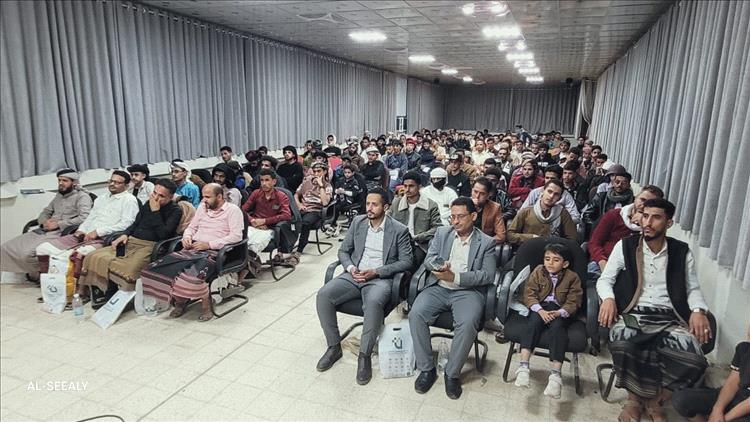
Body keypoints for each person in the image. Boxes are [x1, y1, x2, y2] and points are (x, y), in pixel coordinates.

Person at [597, 198, 712, 422]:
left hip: (669, 317)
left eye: (656, 217)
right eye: (645, 216)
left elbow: (692, 288)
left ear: (668, 223)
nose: (647, 222)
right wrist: (608, 299)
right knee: (623, 341)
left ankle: (655, 400)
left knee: (694, 358)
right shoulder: (626, 246)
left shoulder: (681, 251)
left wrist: (698, 310)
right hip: (634, 313)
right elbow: (605, 280)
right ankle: (633, 400)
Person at [315, 188, 413, 385]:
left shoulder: (399, 230)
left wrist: (377, 271)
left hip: (379, 278)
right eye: (368, 203)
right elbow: (343, 251)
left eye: (374, 204)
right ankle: (334, 347)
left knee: (374, 302)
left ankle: (364, 355)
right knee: (323, 295)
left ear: (385, 207)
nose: (369, 208)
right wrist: (351, 268)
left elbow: (406, 261)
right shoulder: (358, 223)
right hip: (354, 274)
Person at [409, 197, 497, 399]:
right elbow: (429, 259)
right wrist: (439, 266)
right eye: (452, 217)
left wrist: (455, 277)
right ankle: (426, 368)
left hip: (468, 291)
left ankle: (452, 373)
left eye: (460, 217)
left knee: (467, 323)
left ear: (473, 216)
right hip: (439, 287)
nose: (455, 221)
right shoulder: (442, 233)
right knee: (416, 314)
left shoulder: (486, 242)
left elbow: (488, 275)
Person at [141, 183, 244, 322]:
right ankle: (181, 300)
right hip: (192, 249)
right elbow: (191, 227)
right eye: (203, 196)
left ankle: (206, 305)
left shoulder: (233, 210)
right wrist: (187, 237)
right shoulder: (202, 207)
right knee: (153, 270)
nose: (204, 200)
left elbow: (236, 236)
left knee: (191, 279)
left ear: (219, 197)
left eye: (207, 197)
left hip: (215, 252)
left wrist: (209, 244)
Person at [77, 179, 182, 298]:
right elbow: (135, 224)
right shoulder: (148, 203)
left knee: (130, 270)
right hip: (131, 240)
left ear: (170, 197)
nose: (156, 198)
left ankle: (123, 297)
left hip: (150, 246)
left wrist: (155, 211)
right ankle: (99, 291)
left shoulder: (175, 210)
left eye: (161, 196)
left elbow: (163, 234)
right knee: (93, 256)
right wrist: (125, 234)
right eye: (154, 193)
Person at [515, 243, 583, 399]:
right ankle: (523, 367)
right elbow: (529, 293)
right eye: (547, 259)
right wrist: (540, 310)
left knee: (558, 330)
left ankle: (555, 375)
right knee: (532, 324)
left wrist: (560, 312)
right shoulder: (539, 271)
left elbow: (574, 301)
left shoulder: (572, 277)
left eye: (556, 260)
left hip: (559, 310)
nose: (550, 263)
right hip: (540, 307)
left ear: (565, 264)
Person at [0, 169, 92, 279]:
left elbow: (84, 218)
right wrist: (43, 222)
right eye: (59, 180)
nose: (61, 183)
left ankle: (42, 275)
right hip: (44, 230)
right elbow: (46, 212)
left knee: (27, 254)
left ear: (74, 182)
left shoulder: (82, 197)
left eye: (65, 180)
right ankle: (23, 275)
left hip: (62, 232)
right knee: (6, 248)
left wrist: (59, 224)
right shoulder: (59, 195)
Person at [35, 170, 139, 266]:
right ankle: (48, 278)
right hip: (84, 235)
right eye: (111, 181)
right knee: (43, 249)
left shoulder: (129, 200)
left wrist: (98, 232)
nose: (112, 184)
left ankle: (67, 280)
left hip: (104, 239)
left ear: (126, 185)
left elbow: (126, 224)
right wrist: (81, 230)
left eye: (117, 182)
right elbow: (90, 218)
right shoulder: (102, 198)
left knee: (72, 256)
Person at [671, 325, 750, 422]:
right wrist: (717, 409)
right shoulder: (744, 349)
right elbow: (732, 384)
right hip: (736, 397)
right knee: (681, 399)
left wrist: (724, 419)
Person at [588, 185, 664, 275]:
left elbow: (652, 254)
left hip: (632, 270)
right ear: (636, 198)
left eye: (650, 203)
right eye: (642, 200)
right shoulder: (614, 215)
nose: (643, 205)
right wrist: (603, 263)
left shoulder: (654, 227)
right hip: (603, 263)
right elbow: (594, 243)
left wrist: (643, 226)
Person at [388, 171, 442, 265]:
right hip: (398, 244)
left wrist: (419, 237)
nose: (407, 189)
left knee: (411, 263)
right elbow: (387, 222)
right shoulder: (396, 203)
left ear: (419, 187)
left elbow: (437, 228)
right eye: (405, 186)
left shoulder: (430, 205)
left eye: (411, 186)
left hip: (419, 245)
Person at [241, 169, 293, 263]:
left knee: (255, 244)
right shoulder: (256, 193)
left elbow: (287, 215)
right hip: (254, 225)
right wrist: (252, 220)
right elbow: (241, 210)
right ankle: (246, 264)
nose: (264, 183)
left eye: (267, 180)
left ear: (274, 182)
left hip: (270, 228)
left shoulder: (281, 196)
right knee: (241, 241)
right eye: (262, 180)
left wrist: (265, 221)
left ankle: (251, 264)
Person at [507, 180, 577, 245]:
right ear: (542, 191)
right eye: (549, 191)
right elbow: (510, 235)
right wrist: (531, 237)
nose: (551, 196)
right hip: (527, 249)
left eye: (556, 194)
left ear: (559, 198)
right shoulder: (526, 212)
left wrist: (555, 242)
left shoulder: (563, 214)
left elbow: (572, 240)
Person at [292, 162, 333, 261]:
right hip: (303, 208)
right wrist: (299, 205)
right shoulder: (306, 182)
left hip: (316, 210)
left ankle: (299, 250)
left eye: (319, 171)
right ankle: (286, 247)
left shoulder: (327, 186)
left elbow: (325, 203)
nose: (316, 174)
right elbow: (296, 195)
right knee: (287, 220)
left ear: (325, 172)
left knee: (305, 223)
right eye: (314, 171)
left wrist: (321, 186)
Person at [471, 177, 506, 244]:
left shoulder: (495, 208)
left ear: (488, 195)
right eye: (475, 192)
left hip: (483, 243)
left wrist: (483, 244)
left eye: (482, 193)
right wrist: (470, 206)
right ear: (471, 190)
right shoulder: (463, 204)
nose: (477, 196)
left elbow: (501, 236)